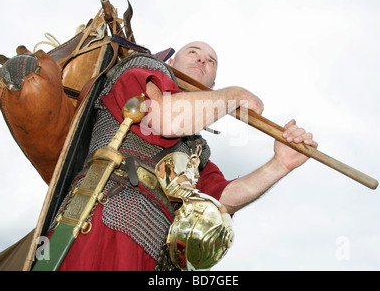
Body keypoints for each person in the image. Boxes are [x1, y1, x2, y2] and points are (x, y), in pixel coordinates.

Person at [52, 41, 317, 271]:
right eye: (194, 52)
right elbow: (165, 118)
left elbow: (223, 201)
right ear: (170, 61)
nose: (203, 59)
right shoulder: (140, 69)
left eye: (211, 61)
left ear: (212, 85)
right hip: (102, 222)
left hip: (159, 254)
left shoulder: (195, 149)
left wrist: (280, 164)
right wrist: (236, 94)